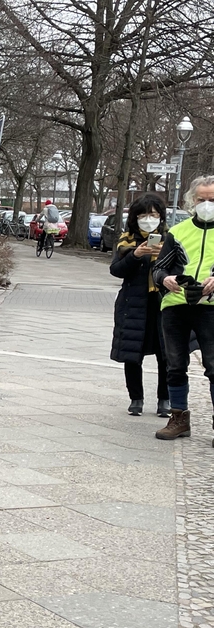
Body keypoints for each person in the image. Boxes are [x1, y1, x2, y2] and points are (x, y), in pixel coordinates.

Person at [152, 175, 214, 443]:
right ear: (192, 201)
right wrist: (164, 279)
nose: (207, 204)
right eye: (202, 200)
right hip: (176, 305)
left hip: (210, 308)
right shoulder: (178, 232)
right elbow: (159, 268)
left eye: (213, 200)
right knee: (174, 365)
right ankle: (178, 418)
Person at [109, 193, 170, 417]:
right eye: (143, 215)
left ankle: (165, 398)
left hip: (163, 304)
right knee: (132, 353)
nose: (148, 219)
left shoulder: (170, 240)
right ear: (135, 218)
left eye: (153, 214)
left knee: (166, 355)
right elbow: (116, 270)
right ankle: (136, 398)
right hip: (133, 304)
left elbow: (181, 270)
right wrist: (135, 254)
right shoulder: (127, 241)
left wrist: (163, 257)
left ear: (160, 217)